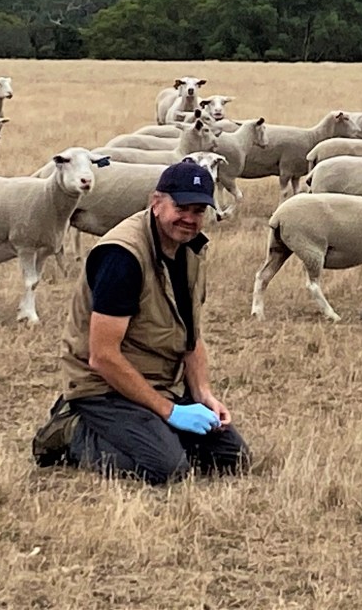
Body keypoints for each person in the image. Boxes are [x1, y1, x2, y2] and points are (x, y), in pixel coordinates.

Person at [33, 160, 250, 483]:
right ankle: (71, 431)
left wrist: (204, 394)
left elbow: (191, 333)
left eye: (198, 210)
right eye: (181, 207)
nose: (189, 219)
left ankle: (150, 431)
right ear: (156, 202)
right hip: (103, 386)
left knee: (231, 459)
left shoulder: (189, 249)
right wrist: (170, 412)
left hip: (160, 381)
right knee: (167, 469)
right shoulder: (122, 257)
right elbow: (102, 356)